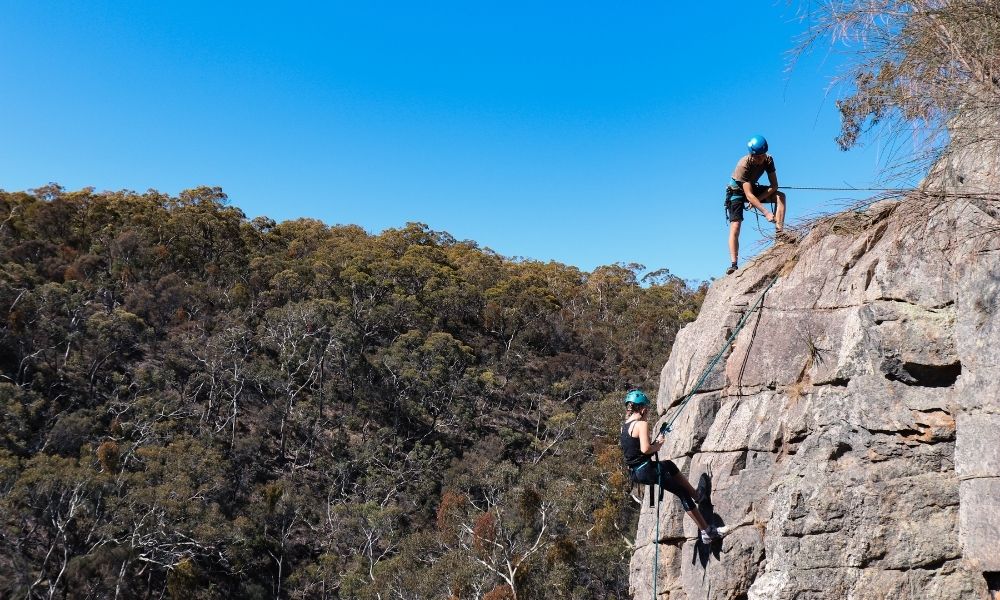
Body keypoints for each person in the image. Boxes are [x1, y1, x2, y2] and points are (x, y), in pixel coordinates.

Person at [620, 389, 725, 544]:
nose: (647, 412)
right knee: (682, 493)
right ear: (642, 408)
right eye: (646, 409)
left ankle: (697, 496)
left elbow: (635, 452)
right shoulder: (641, 424)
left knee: (668, 464)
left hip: (636, 472)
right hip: (646, 470)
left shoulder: (625, 426)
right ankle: (707, 531)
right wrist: (659, 445)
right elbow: (645, 449)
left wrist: (656, 443)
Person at [725, 135, 789, 275]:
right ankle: (734, 264)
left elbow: (774, 186)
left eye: (762, 155)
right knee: (735, 226)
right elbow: (748, 195)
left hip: (752, 189)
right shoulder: (744, 165)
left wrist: (758, 200)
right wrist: (766, 212)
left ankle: (779, 235)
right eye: (757, 156)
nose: (760, 159)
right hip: (736, 192)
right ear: (751, 154)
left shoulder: (768, 160)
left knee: (780, 196)